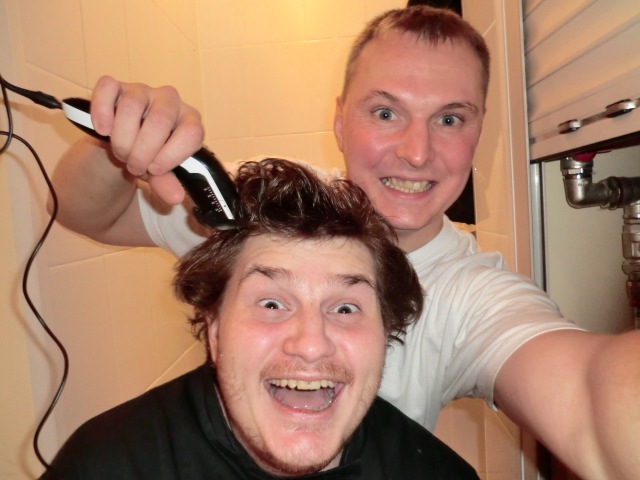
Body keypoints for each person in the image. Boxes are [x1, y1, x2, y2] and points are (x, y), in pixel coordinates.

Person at [49, 6, 640, 480]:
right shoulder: (257, 217)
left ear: (479, 131)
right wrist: (120, 146)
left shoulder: (473, 295)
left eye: (450, 119)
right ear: (339, 120)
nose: (416, 152)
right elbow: (88, 211)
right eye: (385, 113)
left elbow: (589, 402)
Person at [42, 158, 479, 479]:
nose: (311, 344)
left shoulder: (438, 474)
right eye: (271, 304)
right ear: (214, 326)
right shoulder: (106, 464)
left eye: (345, 308)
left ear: (384, 334)